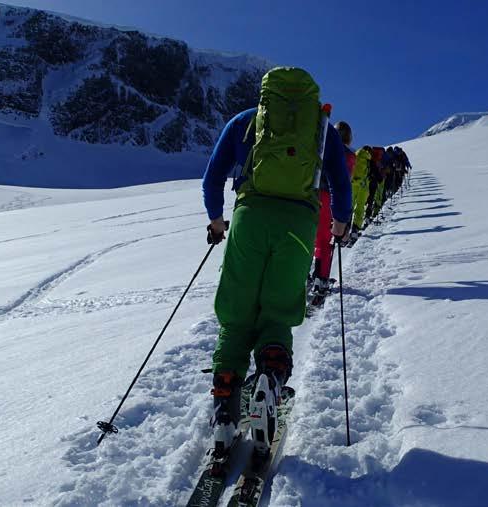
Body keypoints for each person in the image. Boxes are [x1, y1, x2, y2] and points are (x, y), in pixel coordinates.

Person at [200, 67, 351, 460]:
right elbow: (340, 182)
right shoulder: (322, 130)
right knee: (277, 313)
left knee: (237, 317)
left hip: (250, 217)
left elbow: (213, 175)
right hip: (299, 224)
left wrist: (217, 220)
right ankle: (269, 378)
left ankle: (225, 416)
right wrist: (340, 222)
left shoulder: (246, 121)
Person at [309, 121, 355, 304]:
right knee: (325, 242)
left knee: (308, 237)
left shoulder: (322, 146)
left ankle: (303, 275)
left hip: (312, 195)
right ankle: (321, 279)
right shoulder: (350, 156)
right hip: (331, 198)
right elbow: (345, 182)